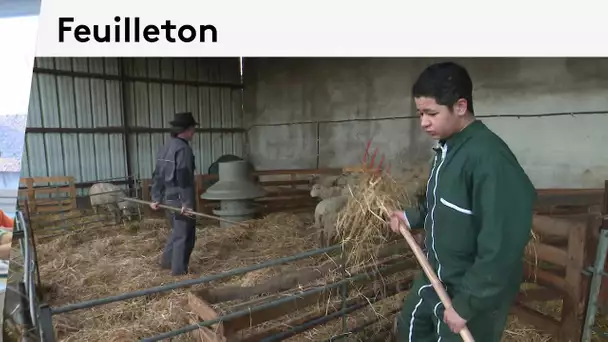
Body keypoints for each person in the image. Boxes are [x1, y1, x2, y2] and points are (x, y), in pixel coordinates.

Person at [390, 62, 536, 342]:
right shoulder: (447, 149)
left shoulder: (489, 159)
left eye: (431, 113)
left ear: (460, 106)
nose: (423, 122)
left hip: (473, 291)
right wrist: (410, 217)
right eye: (420, 113)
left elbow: (502, 244)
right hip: (436, 277)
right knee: (411, 328)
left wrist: (469, 302)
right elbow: (440, 203)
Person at [150, 112, 198, 276]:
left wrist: (155, 197)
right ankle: (179, 272)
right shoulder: (183, 149)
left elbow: (157, 174)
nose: (194, 132)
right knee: (185, 236)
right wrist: (187, 204)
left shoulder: (165, 148)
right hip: (180, 198)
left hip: (167, 198)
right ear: (187, 129)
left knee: (177, 232)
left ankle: (166, 263)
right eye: (193, 128)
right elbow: (184, 177)